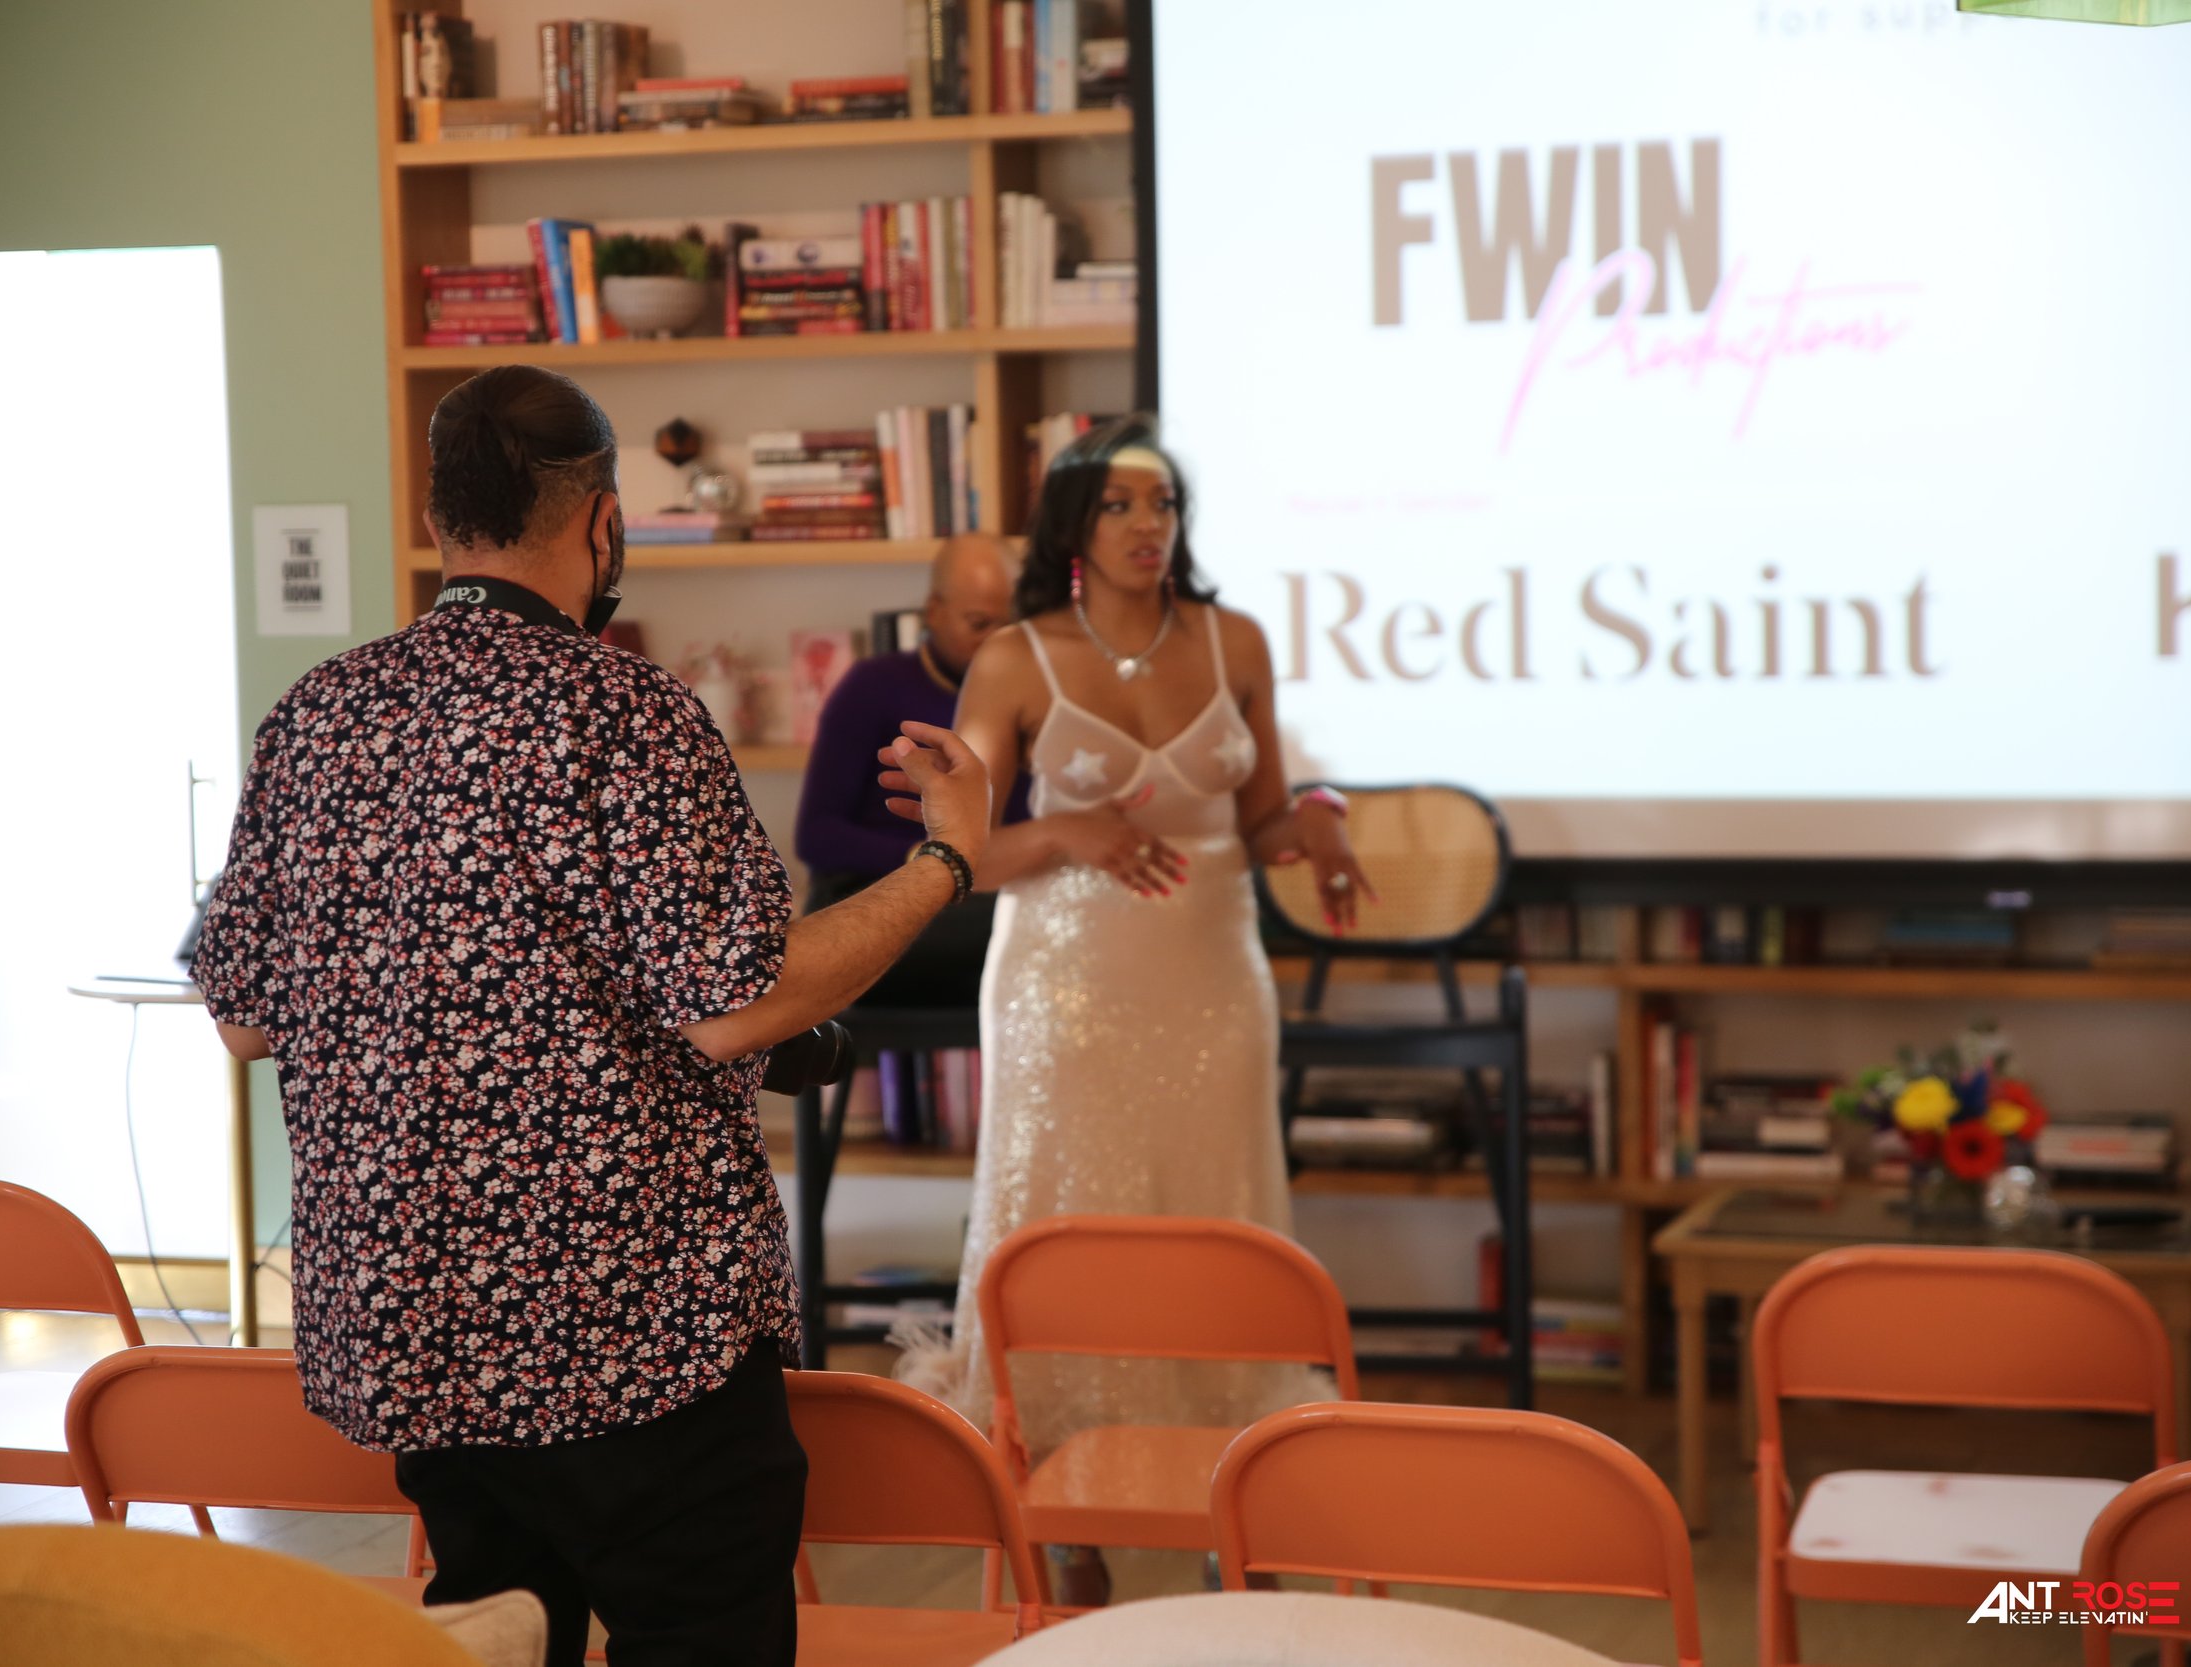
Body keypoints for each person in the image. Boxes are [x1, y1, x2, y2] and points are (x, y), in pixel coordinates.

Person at [188, 365, 991, 1667]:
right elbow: (736, 1004)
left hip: (413, 1318)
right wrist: (946, 859)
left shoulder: (316, 715)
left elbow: (242, 1018)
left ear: (440, 520)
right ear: (605, 521)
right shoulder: (625, 711)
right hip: (630, 1327)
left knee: (501, 1633)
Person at [890, 416, 1371, 1602]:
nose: (1146, 525)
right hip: (1064, 990)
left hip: (1215, 985)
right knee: (1074, 1217)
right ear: (1073, 523)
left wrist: (1314, 826)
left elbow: (1258, 820)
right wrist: (1062, 828)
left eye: (1162, 504)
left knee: (1219, 1216)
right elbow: (956, 854)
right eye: (1118, 506)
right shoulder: (1015, 659)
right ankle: (1068, 1523)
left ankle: (1231, 1501)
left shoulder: (1235, 638)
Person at [795, 533, 1028, 1006]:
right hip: (877, 896)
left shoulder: (1028, 691)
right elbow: (816, 836)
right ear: (934, 612)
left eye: (1011, 625)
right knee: (1026, 933)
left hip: (990, 890)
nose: (997, 641)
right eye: (979, 624)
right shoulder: (871, 686)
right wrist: (932, 859)